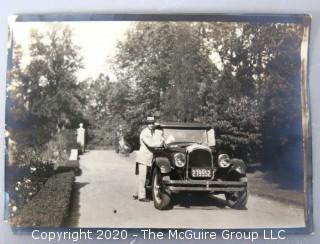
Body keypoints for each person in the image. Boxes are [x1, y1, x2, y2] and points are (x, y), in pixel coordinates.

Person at [133, 116, 164, 202]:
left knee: (144, 177)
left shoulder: (153, 131)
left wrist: (158, 127)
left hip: (149, 158)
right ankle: (141, 197)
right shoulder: (144, 133)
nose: (151, 125)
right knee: (142, 177)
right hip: (143, 158)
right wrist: (161, 143)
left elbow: (159, 132)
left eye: (152, 123)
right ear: (146, 124)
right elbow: (150, 144)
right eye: (149, 123)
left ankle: (136, 193)